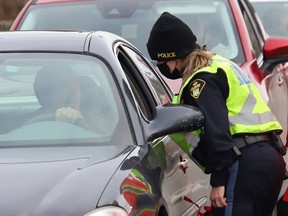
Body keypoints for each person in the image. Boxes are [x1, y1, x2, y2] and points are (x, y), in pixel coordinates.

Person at [146, 12, 286, 216]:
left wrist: (219, 181)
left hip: (244, 164)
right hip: (269, 159)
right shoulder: (220, 65)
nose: (161, 67)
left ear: (172, 56)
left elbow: (217, 131)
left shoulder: (200, 82)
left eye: (160, 61)